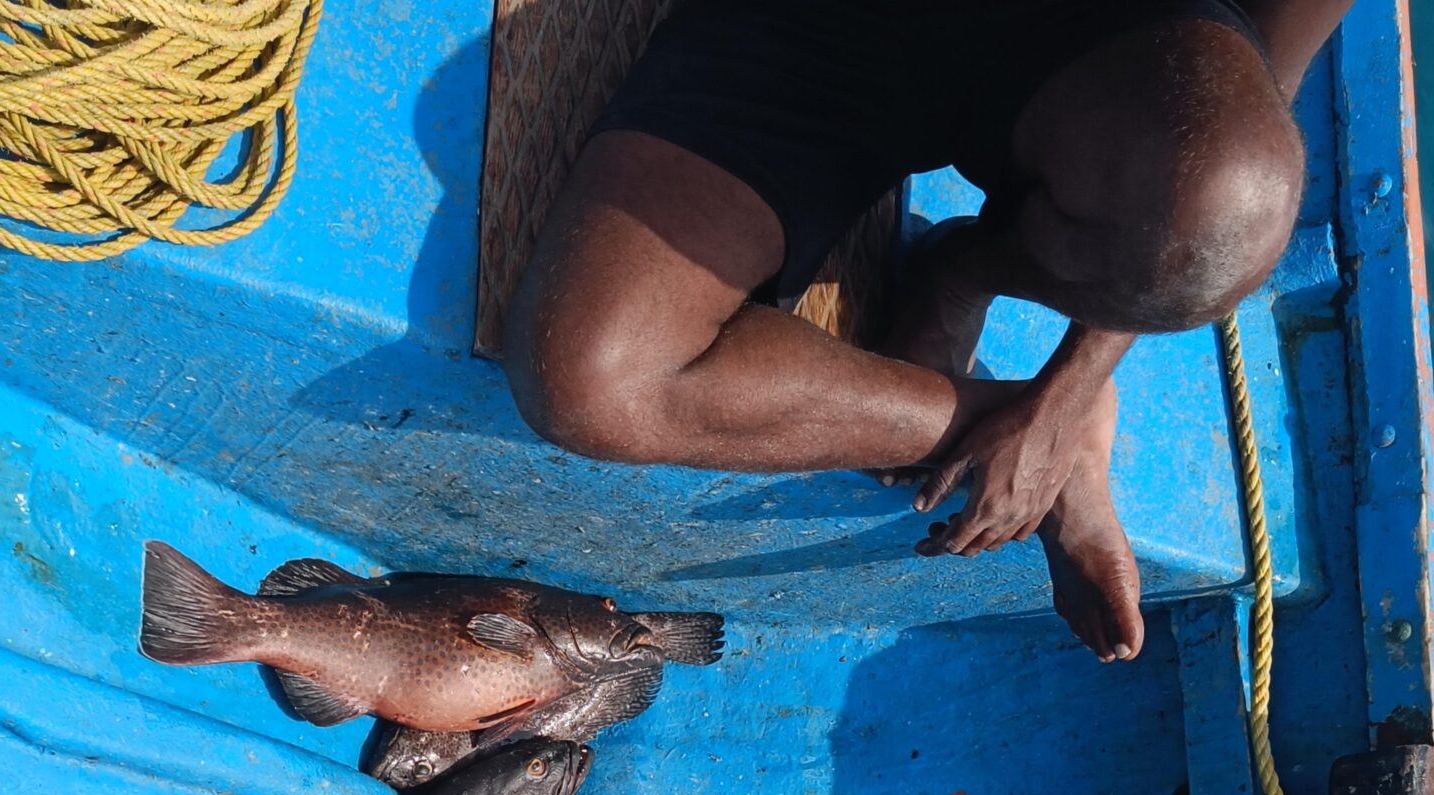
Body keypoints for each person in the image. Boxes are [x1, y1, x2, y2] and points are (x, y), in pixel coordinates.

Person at [503, 0, 1355, 662]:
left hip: (1073, 79)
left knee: (1225, 209)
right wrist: (1036, 424)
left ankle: (972, 276)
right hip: (817, 35)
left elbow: (1248, 105)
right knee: (593, 379)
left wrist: (1071, 383)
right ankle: (1004, 428)